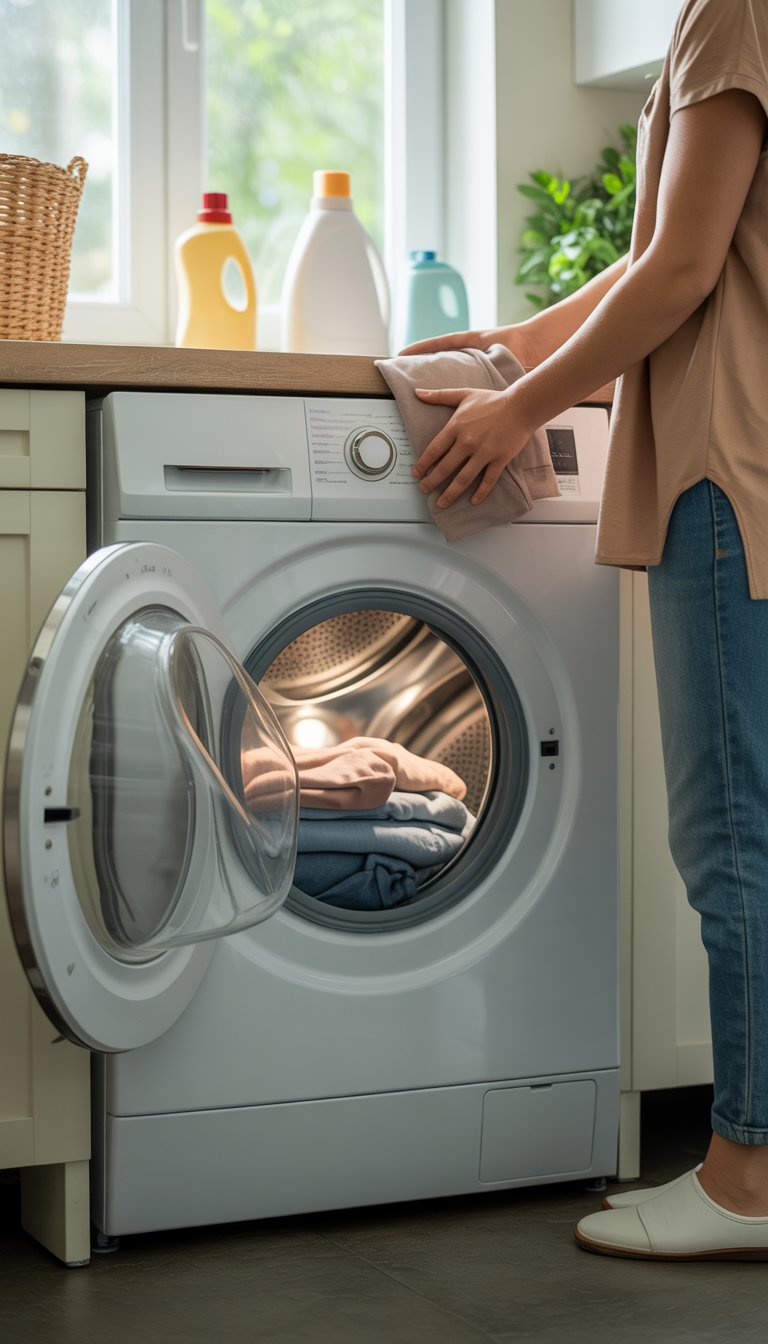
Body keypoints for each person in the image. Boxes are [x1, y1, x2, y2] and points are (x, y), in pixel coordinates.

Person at [401, 0, 768, 1260]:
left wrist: (521, 409)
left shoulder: (734, 11)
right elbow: (675, 246)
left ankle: (744, 1179)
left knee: (736, 840)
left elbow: (680, 269)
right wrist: (521, 345)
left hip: (728, 474)